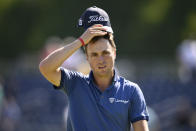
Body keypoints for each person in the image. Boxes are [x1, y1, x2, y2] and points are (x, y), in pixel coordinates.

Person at [39, 6, 149, 131]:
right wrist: (81, 40)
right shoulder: (75, 83)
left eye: (105, 53)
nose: (101, 60)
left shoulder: (131, 90)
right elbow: (45, 68)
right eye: (94, 55)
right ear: (87, 57)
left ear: (114, 53)